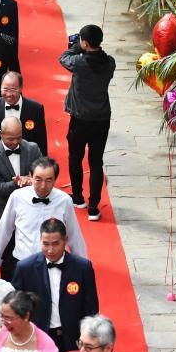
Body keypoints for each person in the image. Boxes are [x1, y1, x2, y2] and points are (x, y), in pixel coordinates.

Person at [11, 218, 98, 352]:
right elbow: (16, 307)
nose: (50, 250)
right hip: (38, 338)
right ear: (40, 240)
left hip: (73, 338)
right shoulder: (25, 268)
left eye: (55, 244)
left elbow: (91, 308)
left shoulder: (82, 267)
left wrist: (87, 338)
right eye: (45, 244)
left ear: (65, 240)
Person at [59, 24, 116, 222]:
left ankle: (77, 197)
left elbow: (63, 58)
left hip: (79, 117)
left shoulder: (79, 62)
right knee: (96, 161)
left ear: (84, 42)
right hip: (101, 118)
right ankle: (94, 206)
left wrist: (76, 46)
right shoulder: (110, 63)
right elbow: (101, 59)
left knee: (75, 156)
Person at [0, 157, 87, 269]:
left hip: (53, 262)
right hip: (22, 261)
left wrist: (82, 265)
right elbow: (4, 229)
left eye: (48, 180)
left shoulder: (64, 200)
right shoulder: (17, 196)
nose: (43, 186)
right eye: (38, 179)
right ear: (30, 177)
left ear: (55, 179)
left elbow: (73, 233)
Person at [0, 117, 42, 279]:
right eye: (11, 138)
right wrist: (17, 183)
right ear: (1, 134)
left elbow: (44, 171)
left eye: (19, 137)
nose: (15, 142)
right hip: (6, 210)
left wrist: (32, 180)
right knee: (8, 254)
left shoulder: (32, 148)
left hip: (32, 208)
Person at [0, 71, 47, 154]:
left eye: (13, 90)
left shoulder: (35, 109)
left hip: (27, 161)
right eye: (5, 89)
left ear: (21, 88)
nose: (9, 94)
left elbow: (41, 143)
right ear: (0, 87)